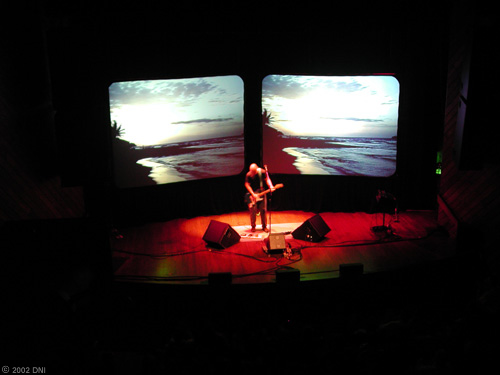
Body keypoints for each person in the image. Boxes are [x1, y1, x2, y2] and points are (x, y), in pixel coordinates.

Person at [244, 163, 275, 232]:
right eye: (251, 171)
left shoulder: (263, 172)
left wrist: (271, 186)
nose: (252, 173)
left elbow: (267, 179)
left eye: (253, 172)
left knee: (263, 210)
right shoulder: (248, 175)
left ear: (257, 170)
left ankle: (264, 226)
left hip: (262, 193)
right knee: (253, 211)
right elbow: (247, 184)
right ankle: (253, 226)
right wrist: (253, 194)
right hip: (252, 194)